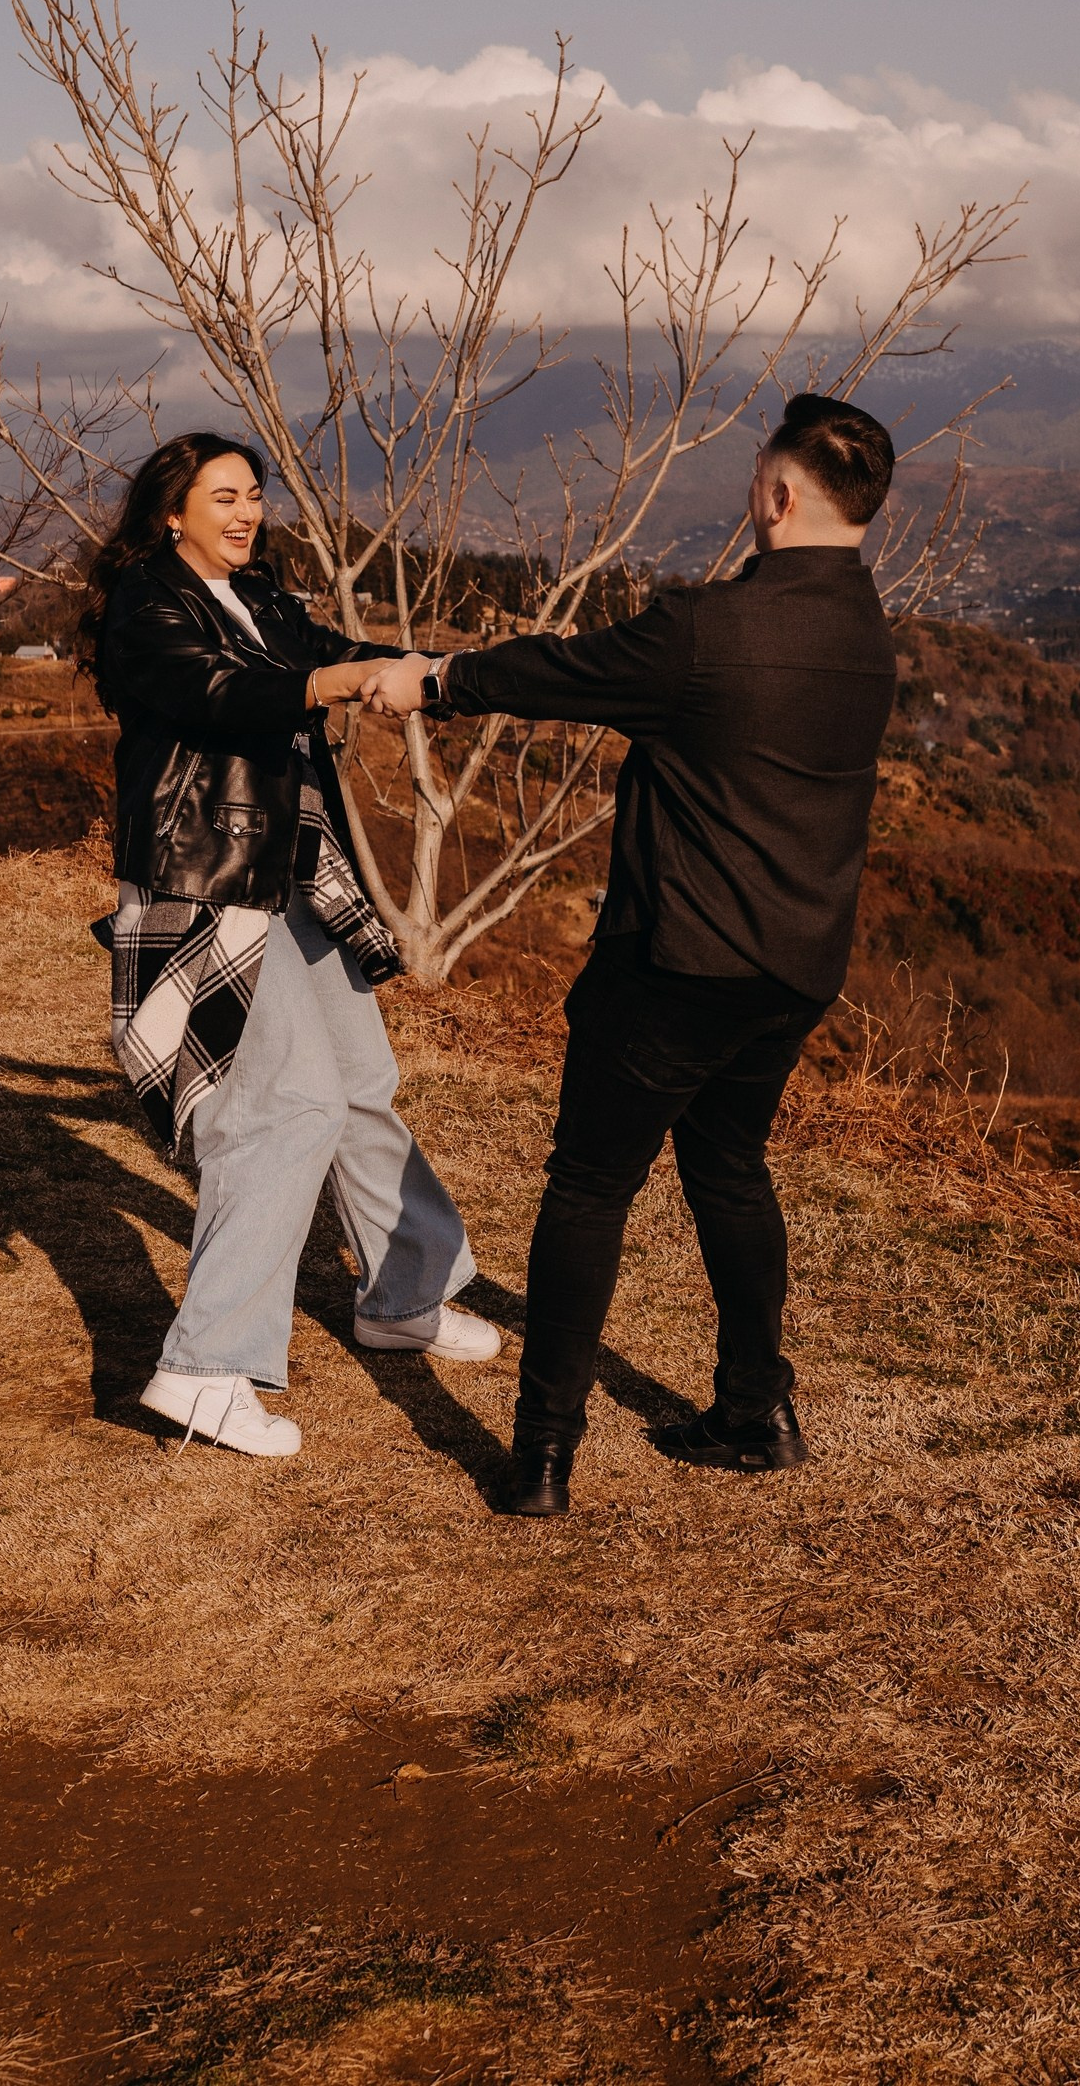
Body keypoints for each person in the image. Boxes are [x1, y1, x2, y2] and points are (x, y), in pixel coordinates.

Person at [357, 392, 899, 1516]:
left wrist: (432, 679)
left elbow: (556, 671)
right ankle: (756, 1408)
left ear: (776, 493)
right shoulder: (867, 635)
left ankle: (542, 1457)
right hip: (792, 968)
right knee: (730, 1169)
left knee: (589, 1187)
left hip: (677, 962)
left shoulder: (709, 633)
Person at [87, 432, 499, 1460]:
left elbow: (320, 654)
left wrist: (425, 670)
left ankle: (403, 1294)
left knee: (360, 1078)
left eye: (252, 495)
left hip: (289, 872)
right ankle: (205, 1365)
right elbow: (215, 699)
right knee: (288, 1106)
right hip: (206, 885)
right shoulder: (148, 604)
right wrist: (333, 683)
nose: (242, 511)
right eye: (219, 496)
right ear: (169, 512)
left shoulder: (257, 600)